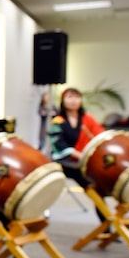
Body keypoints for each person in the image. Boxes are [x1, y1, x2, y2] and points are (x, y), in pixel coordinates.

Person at [48, 87, 108, 225]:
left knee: (99, 187)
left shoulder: (88, 119)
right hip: (66, 162)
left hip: (85, 160)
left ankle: (107, 224)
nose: (73, 101)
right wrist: (78, 154)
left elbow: (99, 136)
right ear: (63, 101)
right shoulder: (58, 121)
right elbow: (58, 144)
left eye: (76, 97)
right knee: (90, 185)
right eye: (69, 97)